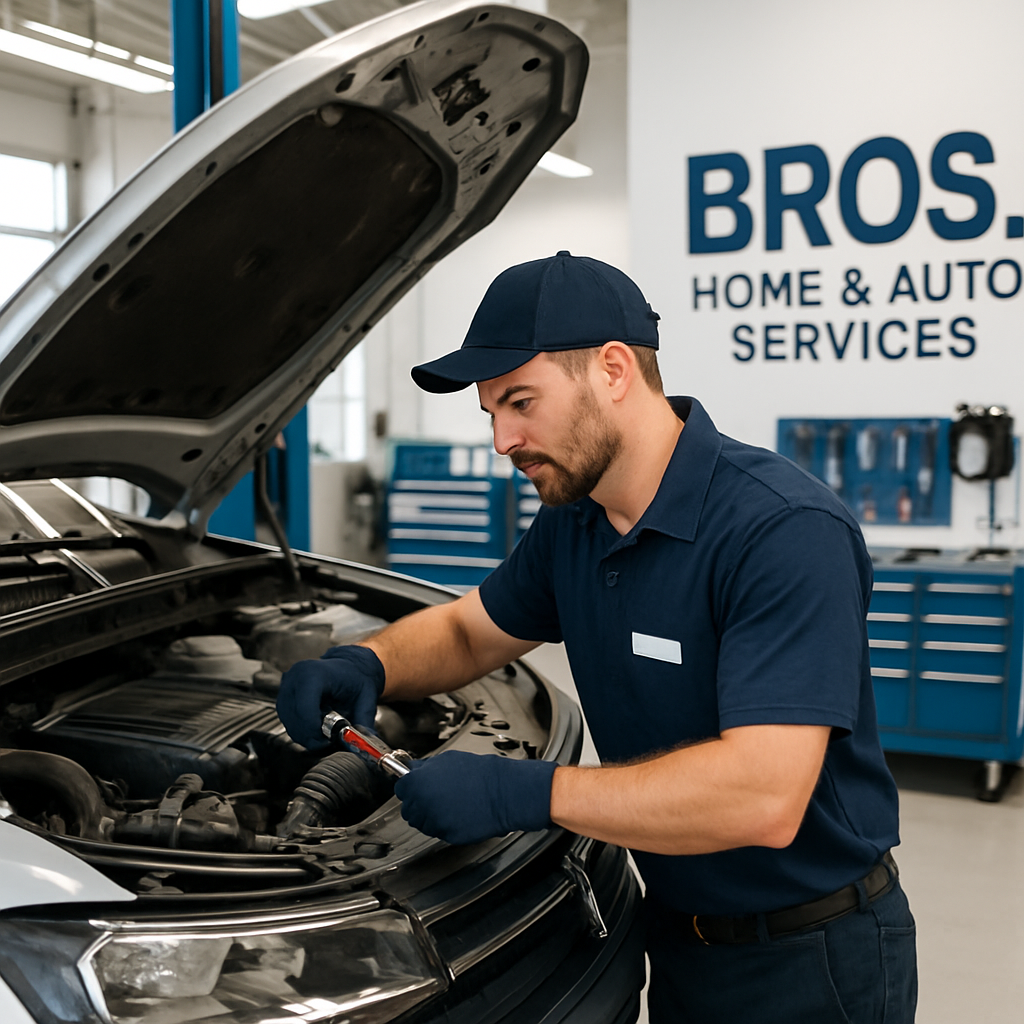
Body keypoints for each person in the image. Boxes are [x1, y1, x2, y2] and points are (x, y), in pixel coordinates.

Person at [277, 251, 918, 1023]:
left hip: (809, 961)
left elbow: (763, 794)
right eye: (491, 413)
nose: (503, 440)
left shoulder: (781, 531)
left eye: (520, 402)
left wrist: (523, 793)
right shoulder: (575, 522)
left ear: (613, 370)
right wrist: (368, 662)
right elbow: (470, 630)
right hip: (676, 937)